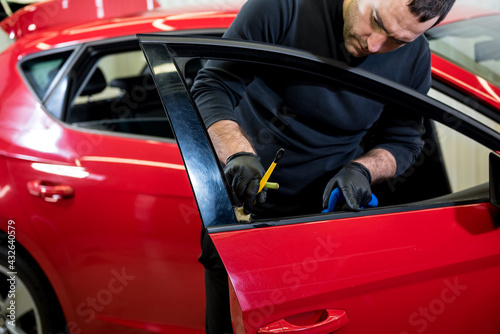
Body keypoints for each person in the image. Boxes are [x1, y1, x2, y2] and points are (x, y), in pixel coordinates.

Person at [192, 0, 455, 332]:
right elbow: (213, 86)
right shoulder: (282, 8)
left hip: (327, 227)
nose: (374, 45)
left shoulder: (415, 56)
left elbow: (404, 140)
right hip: (243, 212)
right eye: (374, 21)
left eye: (397, 41)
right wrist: (237, 155)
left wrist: (363, 169)